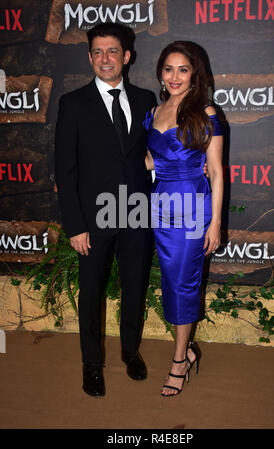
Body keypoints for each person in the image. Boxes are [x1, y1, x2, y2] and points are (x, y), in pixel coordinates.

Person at [55, 23, 157, 397]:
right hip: (93, 218)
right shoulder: (73, 103)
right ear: (89, 57)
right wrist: (75, 225)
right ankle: (92, 363)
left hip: (135, 213)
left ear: (126, 56)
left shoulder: (147, 100)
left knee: (134, 286)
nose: (105, 59)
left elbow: (155, 153)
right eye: (97, 52)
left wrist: (158, 166)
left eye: (112, 51)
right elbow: (65, 170)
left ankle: (130, 351)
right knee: (92, 290)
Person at [144, 41, 224, 396]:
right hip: (159, 204)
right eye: (168, 69)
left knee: (183, 282)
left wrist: (215, 222)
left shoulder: (205, 112)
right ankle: (187, 349)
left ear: (195, 74)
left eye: (182, 69)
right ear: (161, 73)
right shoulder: (154, 111)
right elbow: (149, 160)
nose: (174, 77)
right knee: (170, 280)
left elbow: (218, 172)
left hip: (193, 205)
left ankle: (179, 360)